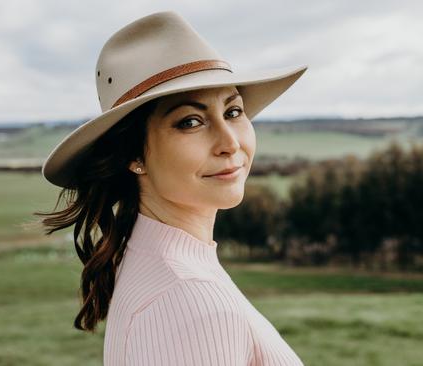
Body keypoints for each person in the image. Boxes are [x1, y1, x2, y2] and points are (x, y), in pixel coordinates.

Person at [36, 10, 307, 366]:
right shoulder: (192, 298)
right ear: (134, 155)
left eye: (233, 111)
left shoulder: (156, 262)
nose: (230, 143)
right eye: (190, 121)